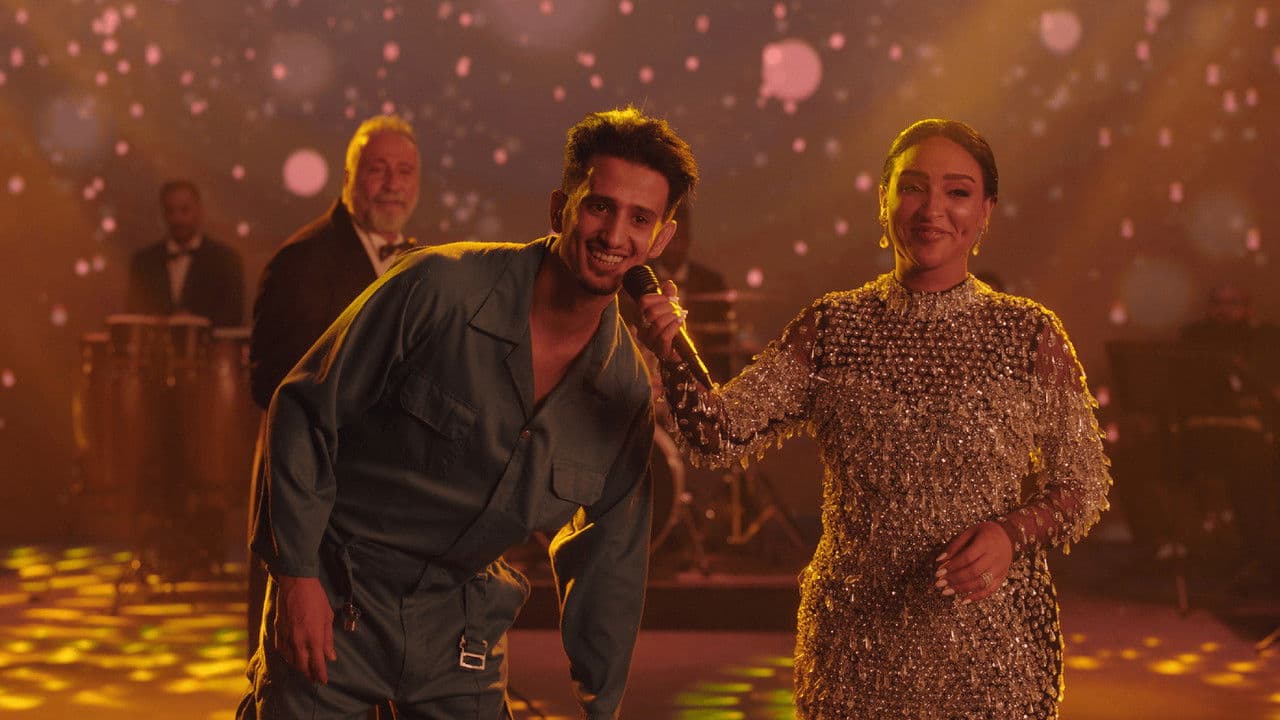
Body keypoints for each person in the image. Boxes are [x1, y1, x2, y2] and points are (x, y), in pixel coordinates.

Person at [636, 118, 1110, 718]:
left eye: (957, 192)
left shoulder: (1029, 335)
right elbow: (717, 435)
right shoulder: (834, 327)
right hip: (855, 651)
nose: (932, 209)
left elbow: (1083, 485)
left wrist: (1009, 535)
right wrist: (672, 350)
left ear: (986, 211)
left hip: (993, 649)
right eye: (912, 188)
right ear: (883, 201)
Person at [237, 106, 697, 719]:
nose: (614, 236)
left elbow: (611, 560)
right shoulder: (438, 286)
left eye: (639, 218)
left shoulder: (625, 388)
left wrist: (601, 707)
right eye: (599, 206)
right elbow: (301, 410)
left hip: (461, 627)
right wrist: (296, 579)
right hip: (339, 593)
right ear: (560, 207)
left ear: (660, 239)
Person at [244, 114, 423, 673]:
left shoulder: (424, 264)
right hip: (312, 497)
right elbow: (272, 386)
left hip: (386, 505)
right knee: (303, 672)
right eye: (377, 170)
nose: (392, 184)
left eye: (404, 171)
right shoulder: (300, 260)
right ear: (348, 179)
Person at [1175, 282, 1279, 588]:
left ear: (1247, 308)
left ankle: (1254, 554)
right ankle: (1174, 546)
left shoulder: (1266, 340)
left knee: (1251, 471)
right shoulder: (1193, 339)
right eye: (1217, 303)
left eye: (1232, 303)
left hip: (1251, 435)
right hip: (1200, 434)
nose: (1224, 310)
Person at [126, 179, 244, 327]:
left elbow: (233, 318)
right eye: (170, 211)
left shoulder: (226, 260)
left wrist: (196, 324)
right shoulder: (143, 263)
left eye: (185, 210)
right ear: (163, 214)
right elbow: (133, 315)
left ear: (200, 211)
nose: (178, 219)